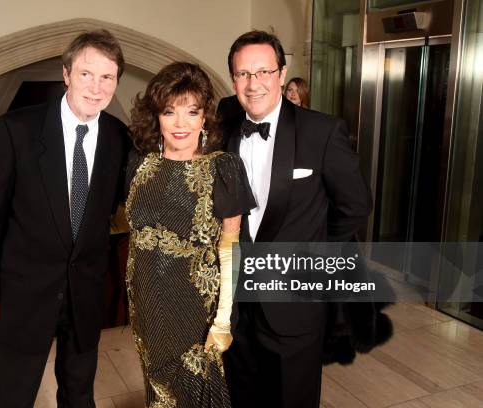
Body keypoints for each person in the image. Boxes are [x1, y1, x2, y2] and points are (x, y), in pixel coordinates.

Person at [0, 29, 130, 407]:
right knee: (13, 395)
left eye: (107, 77)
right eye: (87, 74)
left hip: (86, 292)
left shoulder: (118, 137)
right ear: (67, 74)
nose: (96, 87)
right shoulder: (17, 129)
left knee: (78, 394)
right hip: (24, 292)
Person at [218, 31, 372, 408]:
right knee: (242, 397)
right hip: (236, 305)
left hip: (295, 303)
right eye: (242, 74)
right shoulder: (222, 124)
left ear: (282, 73)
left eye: (263, 71)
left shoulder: (322, 131)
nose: (253, 84)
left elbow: (355, 206)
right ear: (233, 79)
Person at [125, 62, 255, 407]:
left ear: (204, 118)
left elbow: (231, 246)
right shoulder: (140, 165)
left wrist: (224, 318)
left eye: (191, 111)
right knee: (158, 391)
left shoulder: (222, 167)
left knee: (195, 391)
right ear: (157, 117)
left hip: (195, 305)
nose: (180, 123)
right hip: (146, 302)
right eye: (170, 112)